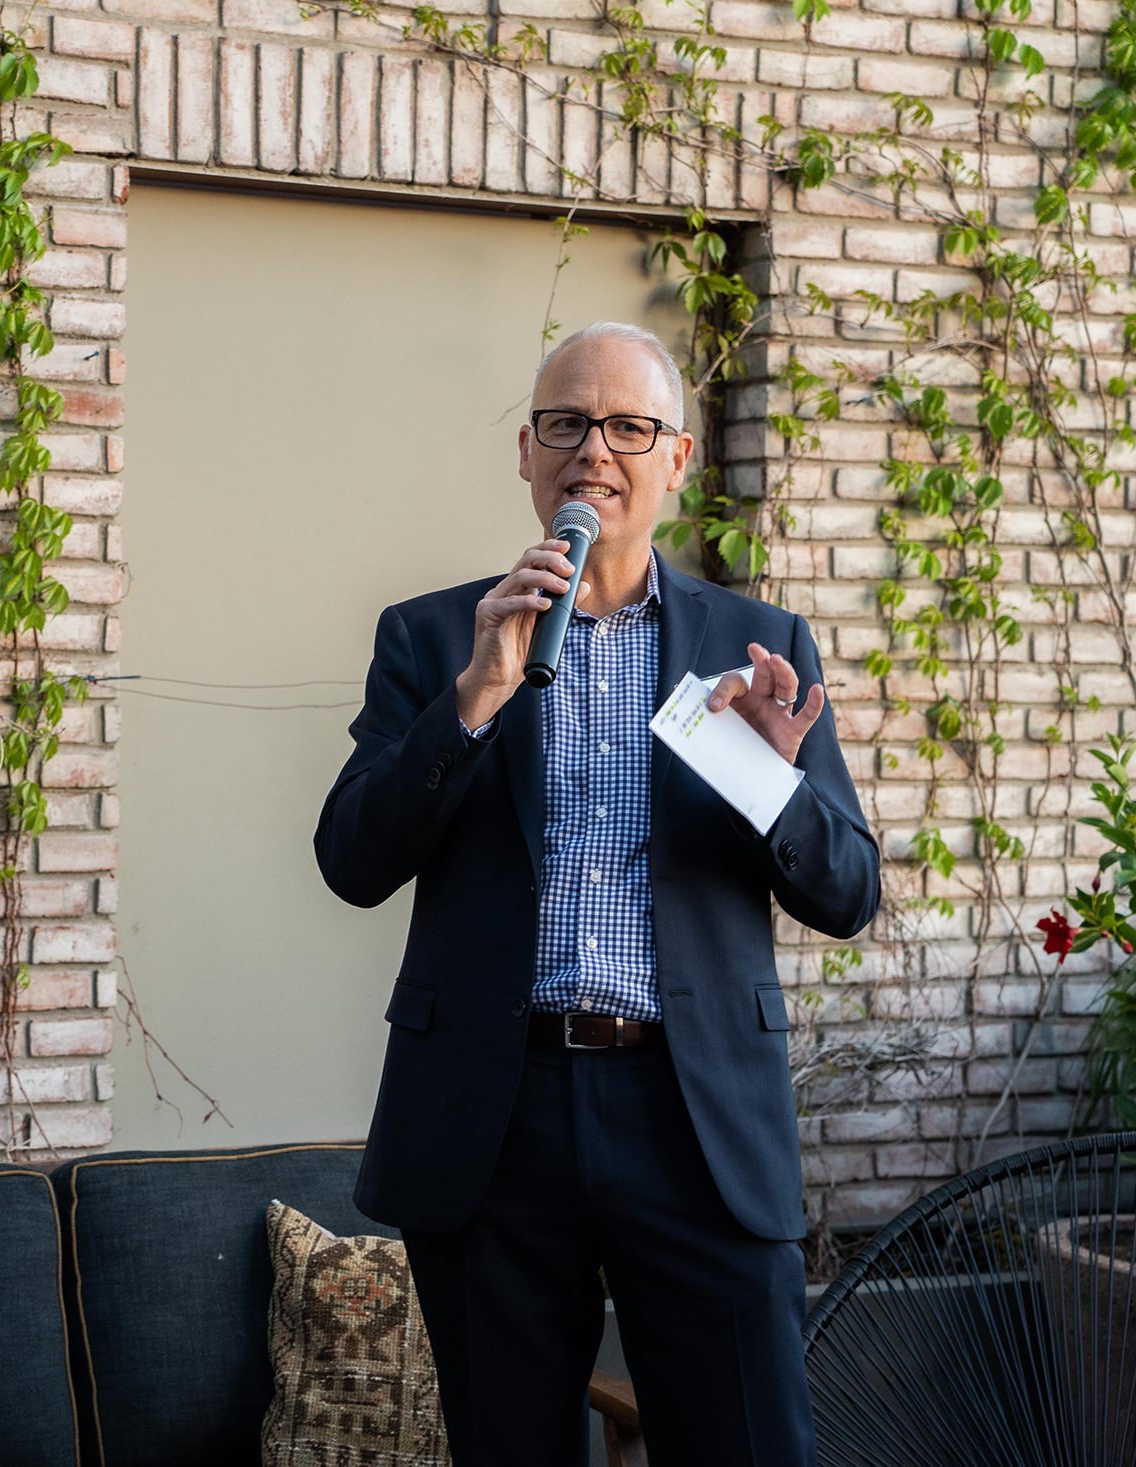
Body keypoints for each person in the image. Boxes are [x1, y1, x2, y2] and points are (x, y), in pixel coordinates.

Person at [315, 321, 880, 1466]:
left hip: (694, 1113)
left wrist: (768, 783)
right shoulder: (434, 638)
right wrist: (472, 701)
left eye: (629, 428)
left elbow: (848, 891)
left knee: (748, 1442)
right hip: (495, 1110)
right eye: (567, 425)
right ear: (526, 454)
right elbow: (351, 861)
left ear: (674, 461)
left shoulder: (758, 644)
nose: (594, 454)